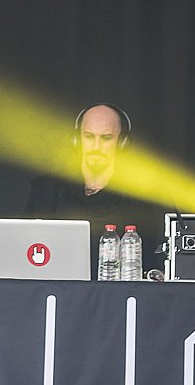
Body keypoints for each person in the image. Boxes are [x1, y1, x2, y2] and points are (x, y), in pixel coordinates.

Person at [27, 103, 165, 275]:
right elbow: (25, 252)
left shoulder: (139, 196)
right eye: (89, 137)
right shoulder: (46, 190)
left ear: (122, 143)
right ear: (77, 140)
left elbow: (152, 265)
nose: (96, 147)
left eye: (106, 138)